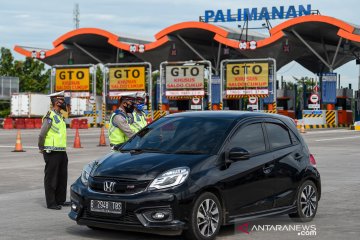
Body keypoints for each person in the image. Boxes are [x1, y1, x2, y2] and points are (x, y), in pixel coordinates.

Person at [38, 91, 70, 210]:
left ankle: (60, 200)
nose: (63, 102)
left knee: (62, 177)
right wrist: (41, 148)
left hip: (61, 151)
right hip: (51, 151)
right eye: (61, 100)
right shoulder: (49, 116)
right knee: (51, 178)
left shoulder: (60, 116)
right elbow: (42, 134)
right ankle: (51, 202)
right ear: (56, 102)